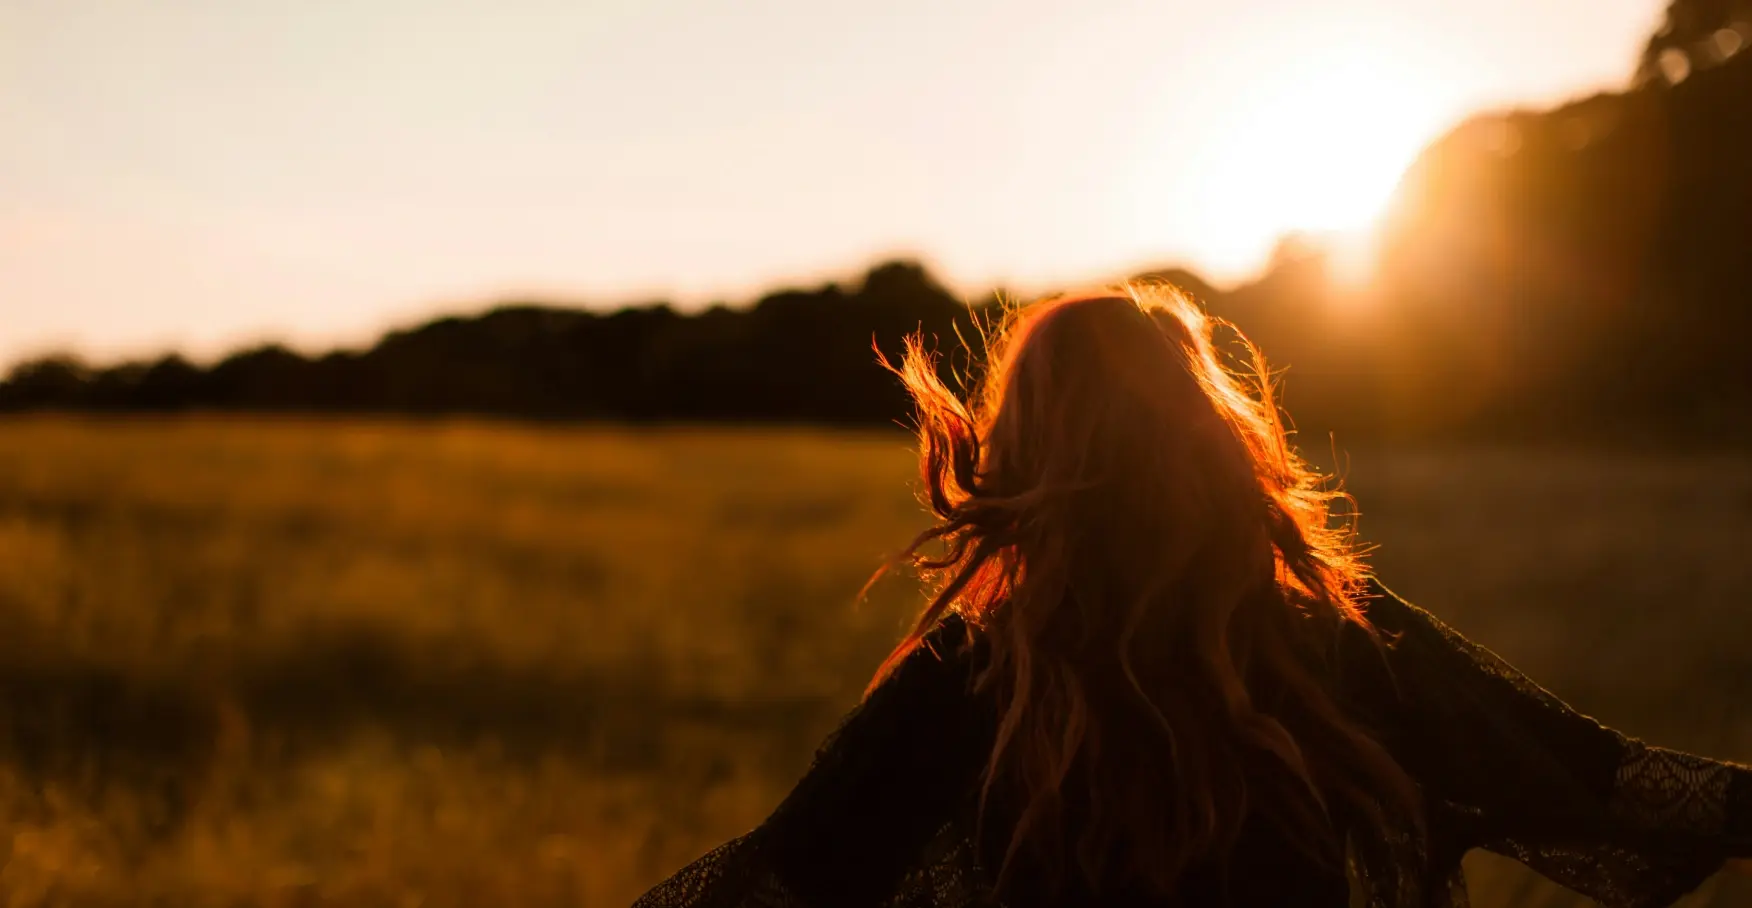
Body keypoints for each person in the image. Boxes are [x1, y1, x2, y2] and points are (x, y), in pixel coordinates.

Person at [633, 286, 1752, 908]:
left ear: (1023, 457)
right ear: (1210, 442)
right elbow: (1612, 783)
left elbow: (768, 886)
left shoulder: (970, 680)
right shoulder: (1334, 637)